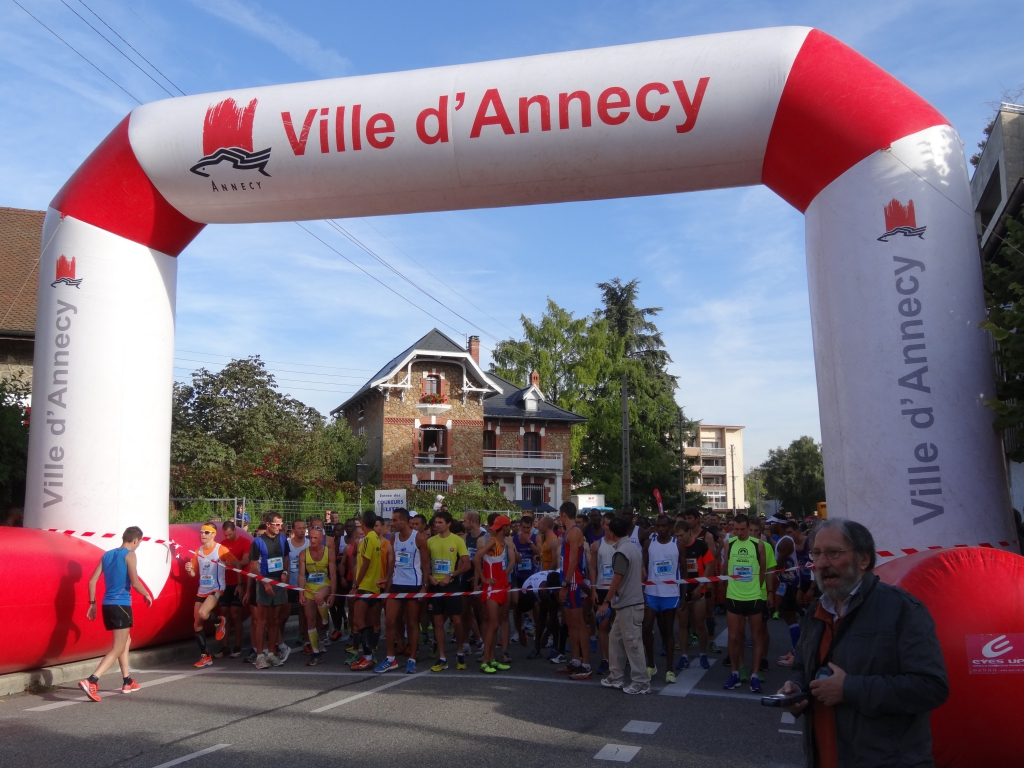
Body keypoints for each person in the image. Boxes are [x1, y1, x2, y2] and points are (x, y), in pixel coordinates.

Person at [778, 518, 949, 768]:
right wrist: (795, 688)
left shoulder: (902, 609)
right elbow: (802, 667)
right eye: (816, 553)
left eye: (833, 553)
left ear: (864, 559)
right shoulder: (817, 610)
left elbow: (931, 687)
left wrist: (849, 689)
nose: (822, 563)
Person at [79, 527, 154, 701]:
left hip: (107, 604)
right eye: (140, 542)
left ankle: (127, 681)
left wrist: (92, 604)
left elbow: (92, 581)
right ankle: (92, 680)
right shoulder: (130, 555)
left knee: (125, 641)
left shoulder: (107, 555)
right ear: (136, 540)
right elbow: (135, 582)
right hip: (121, 605)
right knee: (119, 646)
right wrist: (146, 594)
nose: (138, 545)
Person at [598, 517, 649, 694]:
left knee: (633, 643)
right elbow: (643, 573)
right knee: (616, 639)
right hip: (628, 604)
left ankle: (641, 682)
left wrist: (606, 602)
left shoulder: (622, 552)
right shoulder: (633, 548)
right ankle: (616, 676)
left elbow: (617, 579)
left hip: (629, 605)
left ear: (611, 532)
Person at [378, 507, 430, 674]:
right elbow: (393, 561)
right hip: (397, 584)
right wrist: (387, 580)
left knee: (412, 622)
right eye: (391, 520)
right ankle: (390, 658)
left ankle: (412, 659)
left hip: (414, 584)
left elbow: (426, 564)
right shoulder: (393, 537)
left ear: (405, 521)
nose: (392, 523)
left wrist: (424, 586)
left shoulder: (419, 538)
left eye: (395, 520)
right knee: (389, 621)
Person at [185, 524, 240, 667]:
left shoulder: (221, 550)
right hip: (202, 589)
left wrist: (240, 582)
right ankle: (206, 656)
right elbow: (193, 574)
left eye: (207, 532)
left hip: (217, 588)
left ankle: (219, 622)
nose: (203, 534)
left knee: (203, 613)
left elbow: (237, 564)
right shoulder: (198, 551)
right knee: (197, 624)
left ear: (213, 534)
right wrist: (189, 569)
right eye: (202, 532)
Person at [723, 513, 767, 692]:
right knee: (734, 637)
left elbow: (763, 570)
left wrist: (756, 588)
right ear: (732, 528)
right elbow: (726, 567)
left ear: (748, 528)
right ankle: (735, 672)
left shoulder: (759, 545)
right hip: (734, 596)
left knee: (757, 637)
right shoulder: (729, 544)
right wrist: (729, 587)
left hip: (753, 596)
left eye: (743, 529)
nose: (739, 532)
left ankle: (755, 674)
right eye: (736, 529)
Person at [245, 512, 292, 669]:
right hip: (264, 583)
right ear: (268, 525)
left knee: (275, 620)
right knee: (261, 620)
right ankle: (260, 656)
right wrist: (264, 583)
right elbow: (253, 566)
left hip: (278, 582)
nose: (280, 527)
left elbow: (286, 558)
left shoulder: (283, 539)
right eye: (277, 524)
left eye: (281, 524)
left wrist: (285, 573)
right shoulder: (258, 542)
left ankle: (271, 654)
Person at [426, 510, 471, 671]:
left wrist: (451, 575)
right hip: (435, 585)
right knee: (437, 622)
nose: (437, 525)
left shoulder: (457, 540)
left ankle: (460, 652)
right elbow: (425, 563)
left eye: (440, 522)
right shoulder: (430, 541)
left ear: (448, 524)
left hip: (451, 585)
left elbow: (466, 564)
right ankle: (442, 657)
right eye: (435, 523)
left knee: (457, 621)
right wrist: (429, 576)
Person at [641, 515, 682, 683]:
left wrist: (684, 595)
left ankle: (670, 670)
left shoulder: (677, 544)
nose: (660, 529)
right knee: (646, 628)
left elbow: (684, 571)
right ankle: (651, 664)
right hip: (652, 593)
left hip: (670, 594)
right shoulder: (649, 544)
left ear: (670, 527)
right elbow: (643, 568)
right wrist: (642, 591)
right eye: (657, 526)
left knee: (667, 631)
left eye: (663, 526)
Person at [473, 515, 513, 673]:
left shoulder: (502, 542)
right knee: (493, 623)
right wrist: (484, 579)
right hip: (492, 588)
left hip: (500, 586)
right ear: (504, 527)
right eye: (508, 525)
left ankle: (491, 659)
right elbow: (476, 558)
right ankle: (485, 661)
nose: (510, 527)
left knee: (495, 624)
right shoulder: (492, 541)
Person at [557, 502, 593, 680]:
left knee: (578, 623)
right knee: (570, 623)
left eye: (559, 515)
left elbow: (573, 562)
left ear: (563, 514)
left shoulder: (575, 532)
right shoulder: (569, 532)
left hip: (572, 581)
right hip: (568, 579)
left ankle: (586, 664)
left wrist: (565, 584)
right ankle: (577, 660)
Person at [772, 516, 813, 667]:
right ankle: (794, 650)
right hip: (787, 582)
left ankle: (796, 654)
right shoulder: (783, 540)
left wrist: (769, 572)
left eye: (772, 523)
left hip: (790, 582)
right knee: (788, 615)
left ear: (779, 525)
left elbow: (779, 565)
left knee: (790, 616)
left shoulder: (786, 541)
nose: (769, 526)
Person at [675, 520, 713, 670]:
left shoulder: (700, 545)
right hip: (681, 591)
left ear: (689, 532)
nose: (679, 538)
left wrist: (701, 585)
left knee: (699, 625)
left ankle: (703, 654)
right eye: (676, 536)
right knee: (683, 625)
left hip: (698, 590)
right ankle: (684, 656)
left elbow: (709, 564)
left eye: (681, 535)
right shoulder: (675, 547)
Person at [299, 523, 336, 666]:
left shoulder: (329, 553)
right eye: (310, 538)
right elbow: (301, 575)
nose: (312, 540)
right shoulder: (304, 554)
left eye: (315, 538)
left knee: (319, 597)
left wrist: (332, 593)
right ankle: (316, 653)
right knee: (311, 622)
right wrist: (301, 593)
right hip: (309, 588)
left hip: (324, 585)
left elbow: (333, 574)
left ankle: (326, 624)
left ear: (321, 538)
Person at [350, 511, 384, 671]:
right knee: (369, 624)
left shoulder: (368, 539)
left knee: (358, 621)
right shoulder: (376, 538)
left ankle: (368, 656)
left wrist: (355, 584)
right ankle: (367, 655)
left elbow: (365, 564)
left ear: (363, 522)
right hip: (374, 587)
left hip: (366, 586)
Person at [589, 511, 616, 675]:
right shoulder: (597, 545)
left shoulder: (622, 544)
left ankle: (619, 658)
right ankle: (605, 659)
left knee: (619, 627)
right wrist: (593, 589)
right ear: (602, 525)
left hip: (620, 590)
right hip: (601, 589)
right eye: (606, 525)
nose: (609, 528)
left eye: (612, 525)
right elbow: (592, 567)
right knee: (603, 625)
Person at [287, 518, 310, 649]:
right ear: (293, 530)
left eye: (304, 528)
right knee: (285, 611)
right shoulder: (287, 544)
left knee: (304, 611)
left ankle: (303, 634)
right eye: (299, 528)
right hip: (289, 584)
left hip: (305, 584)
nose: (302, 531)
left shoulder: (308, 543)